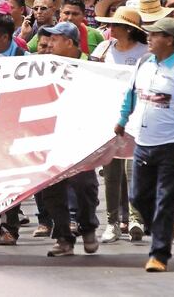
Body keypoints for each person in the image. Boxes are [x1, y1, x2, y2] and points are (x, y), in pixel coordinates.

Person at [115, 17, 174, 272]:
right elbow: (132, 94)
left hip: (173, 146)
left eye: (155, 35)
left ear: (169, 39)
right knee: (138, 197)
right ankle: (164, 227)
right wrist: (122, 119)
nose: (149, 39)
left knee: (166, 200)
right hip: (144, 143)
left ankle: (159, 254)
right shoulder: (144, 63)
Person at [41, 21, 100, 257]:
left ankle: (88, 228)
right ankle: (64, 237)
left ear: (69, 42)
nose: (50, 44)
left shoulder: (93, 66)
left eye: (55, 39)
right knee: (51, 189)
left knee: (84, 185)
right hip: (54, 135)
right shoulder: (46, 66)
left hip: (82, 135)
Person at [92, 7, 149, 243]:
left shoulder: (146, 53)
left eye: (115, 25)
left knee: (134, 169)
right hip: (110, 116)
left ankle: (136, 219)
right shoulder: (103, 49)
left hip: (138, 117)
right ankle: (112, 223)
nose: (110, 28)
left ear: (129, 29)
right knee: (112, 172)